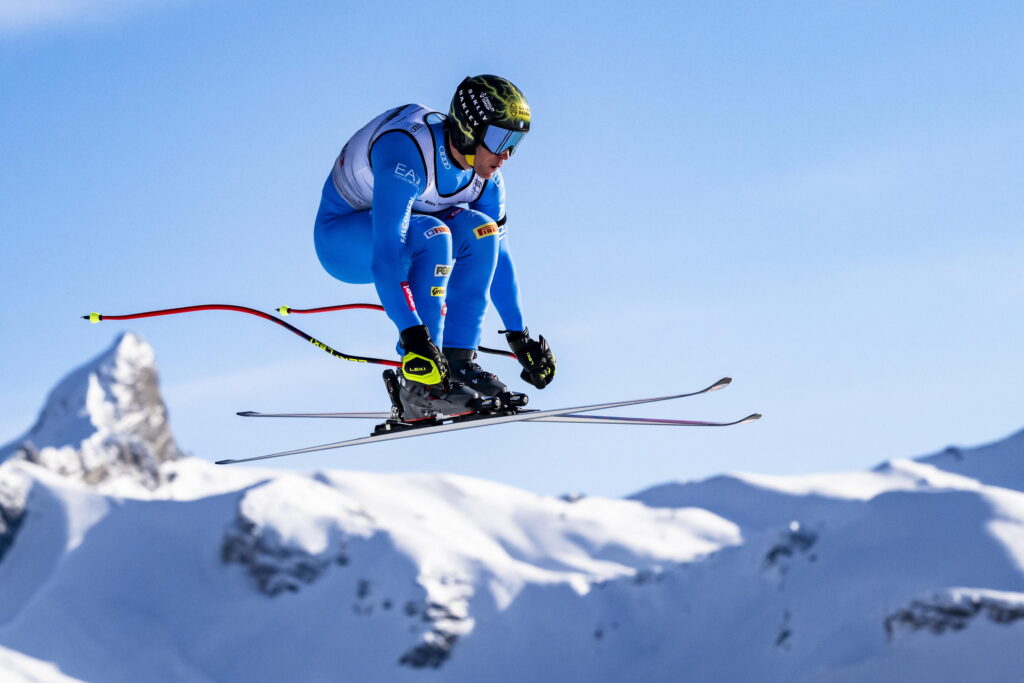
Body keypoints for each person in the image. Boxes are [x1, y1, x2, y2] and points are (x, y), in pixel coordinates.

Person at [313, 75, 556, 418]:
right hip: (342, 239)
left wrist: (520, 337)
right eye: (501, 138)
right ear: (470, 128)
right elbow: (387, 256)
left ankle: (457, 364)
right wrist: (413, 338)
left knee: (483, 231)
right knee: (434, 233)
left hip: (410, 233)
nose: (506, 155)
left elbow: (498, 257)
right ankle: (418, 384)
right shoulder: (406, 153)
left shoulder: (487, 179)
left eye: (515, 141)